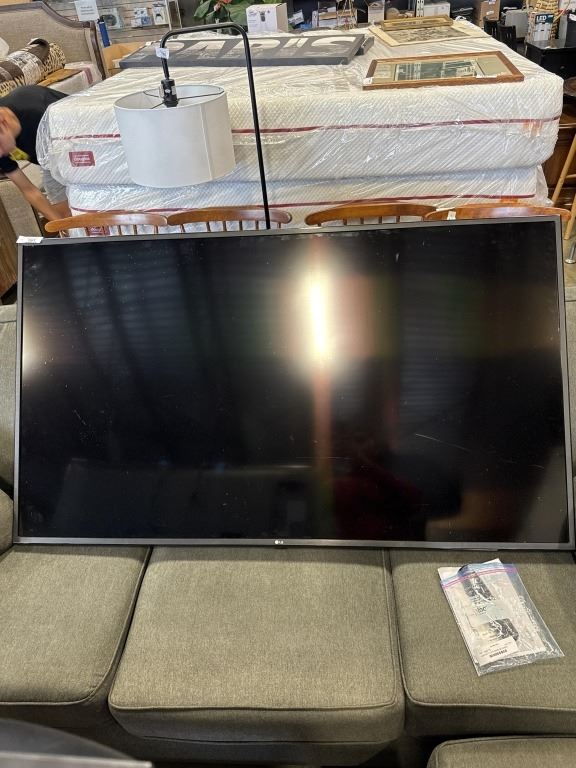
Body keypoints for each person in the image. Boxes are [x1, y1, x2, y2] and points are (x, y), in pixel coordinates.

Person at [0, 85, 71, 221]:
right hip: (47, 162)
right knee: (65, 218)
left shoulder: (39, 113)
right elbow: (28, 189)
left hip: (76, 145)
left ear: (3, 122)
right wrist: (60, 225)